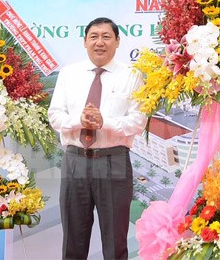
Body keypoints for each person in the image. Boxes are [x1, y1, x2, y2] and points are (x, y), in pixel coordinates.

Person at [48, 17, 147, 260]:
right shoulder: (69, 74)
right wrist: (79, 120)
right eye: (93, 36)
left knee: (115, 243)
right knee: (73, 240)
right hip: (75, 161)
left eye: (106, 37)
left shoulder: (132, 75)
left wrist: (105, 122)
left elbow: (139, 121)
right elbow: (55, 116)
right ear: (85, 42)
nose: (99, 42)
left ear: (117, 41)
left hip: (114, 160)